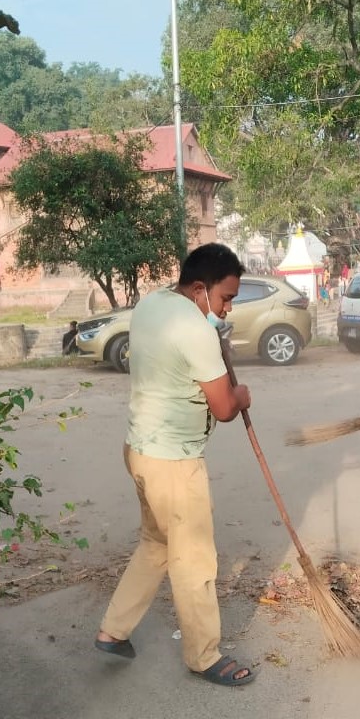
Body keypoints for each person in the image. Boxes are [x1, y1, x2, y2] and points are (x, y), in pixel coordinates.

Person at [95, 243, 257, 686]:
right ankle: (204, 656)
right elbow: (224, 407)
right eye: (225, 299)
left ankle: (114, 629)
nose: (226, 310)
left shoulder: (151, 305)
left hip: (139, 450)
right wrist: (242, 395)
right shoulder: (196, 330)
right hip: (173, 462)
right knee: (195, 559)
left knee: (156, 544)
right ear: (200, 288)